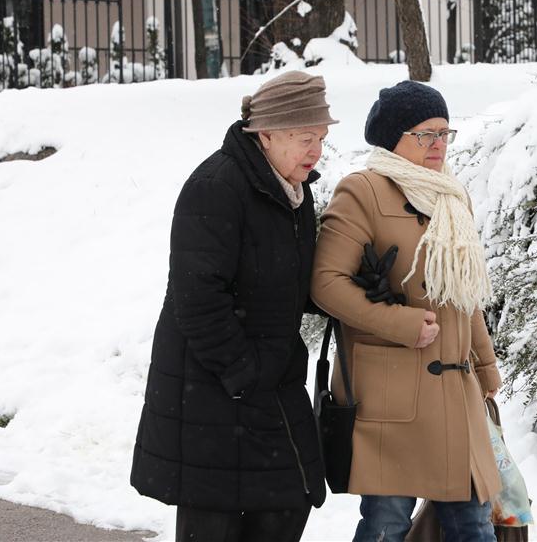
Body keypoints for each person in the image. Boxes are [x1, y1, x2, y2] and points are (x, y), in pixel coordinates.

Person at [130, 70, 335, 542]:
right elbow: (198, 299)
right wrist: (245, 373)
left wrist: (349, 284)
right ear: (265, 134)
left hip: (265, 388)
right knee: (214, 525)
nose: (316, 151)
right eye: (306, 138)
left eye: (321, 138)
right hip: (211, 394)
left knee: (288, 504)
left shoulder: (292, 192)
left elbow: (283, 280)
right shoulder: (216, 187)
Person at [311, 80, 502, 542]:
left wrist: (486, 366)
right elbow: (325, 284)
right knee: (386, 524)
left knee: (474, 525)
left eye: (444, 132)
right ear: (393, 136)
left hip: (456, 395)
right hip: (391, 398)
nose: (439, 144)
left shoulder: (452, 197)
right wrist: (400, 323)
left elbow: (463, 292)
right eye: (425, 134)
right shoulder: (362, 191)